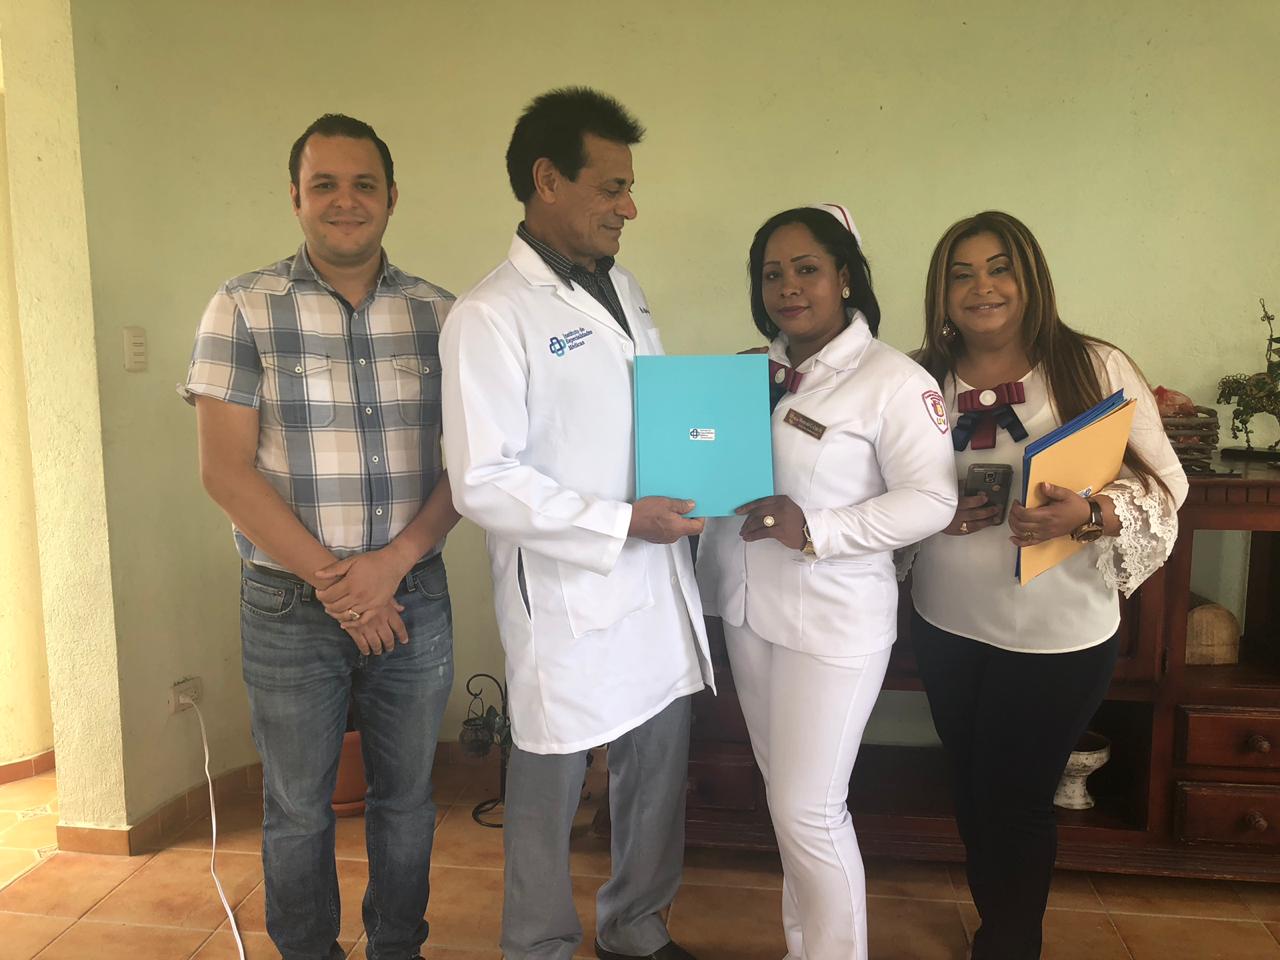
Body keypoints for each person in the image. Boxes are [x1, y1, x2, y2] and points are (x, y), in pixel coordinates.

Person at [439, 88, 712, 960]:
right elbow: (482, 480)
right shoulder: (490, 315)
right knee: (550, 778)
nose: (629, 208)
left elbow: (649, 416)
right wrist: (619, 523)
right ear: (547, 180)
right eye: (612, 187)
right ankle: (539, 944)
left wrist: (712, 464)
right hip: (569, 587)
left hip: (655, 572)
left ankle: (636, 926)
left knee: (656, 764)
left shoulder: (623, 288)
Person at [181, 113, 459, 960]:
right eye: (325, 184)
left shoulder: (444, 316)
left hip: (412, 596)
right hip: (288, 605)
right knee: (298, 806)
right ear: (296, 197)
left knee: (407, 801)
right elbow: (226, 473)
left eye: (363, 184)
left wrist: (392, 567)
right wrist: (344, 586)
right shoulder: (242, 306)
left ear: (392, 196)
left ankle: (397, 948)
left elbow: (474, 467)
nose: (346, 201)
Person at [908, 211, 1189, 960]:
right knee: (972, 791)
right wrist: (932, 515)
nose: (982, 287)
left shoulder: (1093, 366)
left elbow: (1168, 486)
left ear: (1030, 278)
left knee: (1015, 800)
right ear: (941, 292)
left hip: (1058, 634)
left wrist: (1089, 514)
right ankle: (996, 924)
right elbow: (881, 493)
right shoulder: (917, 379)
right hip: (946, 624)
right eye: (962, 274)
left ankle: (1009, 945)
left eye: (999, 268)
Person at [696, 204, 957, 960]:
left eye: (806, 268)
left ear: (845, 276)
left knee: (810, 810)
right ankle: (804, 948)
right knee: (788, 805)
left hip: (834, 621)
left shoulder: (892, 381)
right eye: (771, 273)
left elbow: (932, 500)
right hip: (750, 611)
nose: (788, 287)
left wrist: (815, 527)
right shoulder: (750, 374)